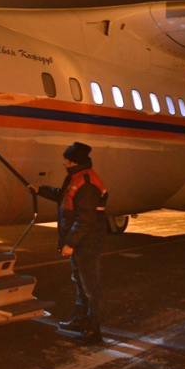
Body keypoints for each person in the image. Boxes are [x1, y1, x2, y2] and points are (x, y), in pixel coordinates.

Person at [28, 142, 108, 344]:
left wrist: (70, 243)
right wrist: (40, 190)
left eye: (65, 159)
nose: (63, 162)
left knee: (91, 287)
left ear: (72, 161)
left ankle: (93, 330)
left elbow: (85, 218)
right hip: (80, 242)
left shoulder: (87, 182)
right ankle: (80, 321)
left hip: (86, 243)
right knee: (80, 283)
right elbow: (63, 197)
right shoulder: (76, 178)